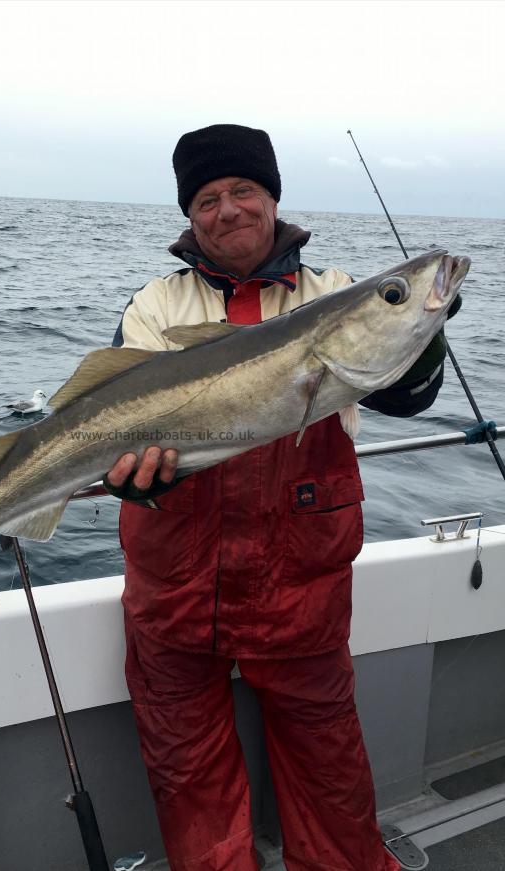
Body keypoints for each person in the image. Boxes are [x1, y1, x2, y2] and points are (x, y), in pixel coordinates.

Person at [104, 124, 453, 871]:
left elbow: (409, 400)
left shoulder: (335, 294)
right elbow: (114, 424)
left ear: (271, 198)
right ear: (188, 215)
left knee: (329, 774)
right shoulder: (154, 307)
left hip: (300, 583)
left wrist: (422, 325)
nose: (226, 210)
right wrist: (136, 474)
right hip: (175, 584)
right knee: (189, 778)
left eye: (242, 191)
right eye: (206, 199)